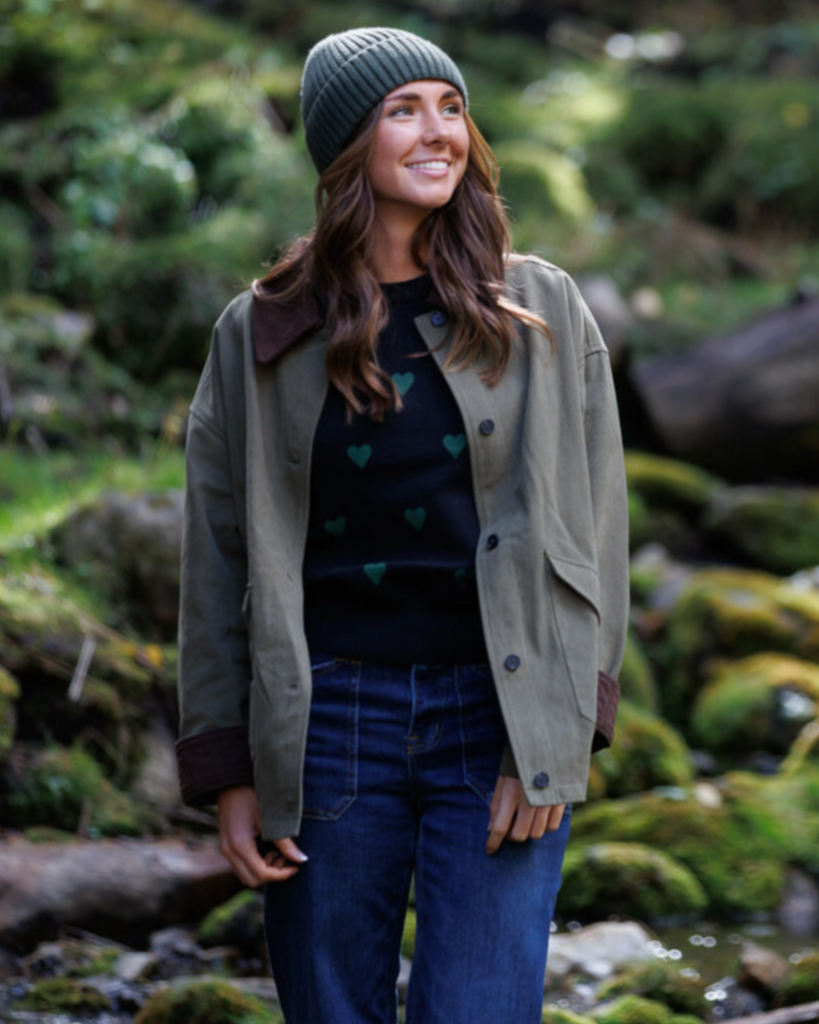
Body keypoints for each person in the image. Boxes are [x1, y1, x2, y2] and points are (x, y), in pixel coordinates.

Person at [175, 26, 629, 1024]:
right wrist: (226, 768)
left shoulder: (540, 308)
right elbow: (216, 556)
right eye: (404, 110)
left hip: (499, 716)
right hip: (326, 723)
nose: (439, 132)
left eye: (451, 106)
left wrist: (561, 728)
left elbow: (599, 527)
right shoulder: (263, 330)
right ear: (348, 149)